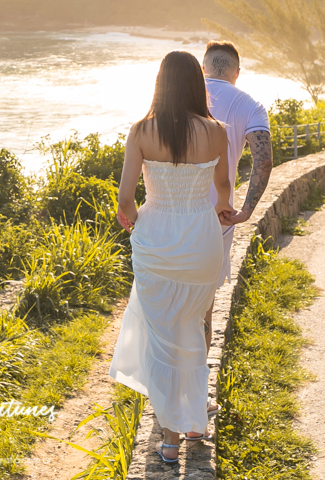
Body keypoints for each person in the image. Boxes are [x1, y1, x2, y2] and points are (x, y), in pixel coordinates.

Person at [108, 51, 234, 464]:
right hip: (200, 239)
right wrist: (216, 211)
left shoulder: (142, 130)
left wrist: (132, 220)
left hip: (156, 239)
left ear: (160, 83)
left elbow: (126, 199)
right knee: (194, 328)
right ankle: (195, 421)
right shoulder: (217, 131)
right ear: (197, 84)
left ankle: (168, 439)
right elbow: (223, 193)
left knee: (162, 339)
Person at [200, 42, 273, 345]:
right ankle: (197, 385)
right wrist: (246, 210)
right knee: (204, 308)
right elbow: (264, 160)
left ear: (203, 67)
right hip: (219, 216)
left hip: (169, 211)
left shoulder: (175, 96)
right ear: (237, 73)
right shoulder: (250, 105)